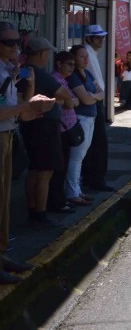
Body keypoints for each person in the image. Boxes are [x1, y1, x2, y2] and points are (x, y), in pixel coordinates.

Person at [1, 24, 56, 282]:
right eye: (8, 43)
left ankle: (2, 254)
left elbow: (20, 109)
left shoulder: (9, 71)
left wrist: (30, 92)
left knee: (4, 201)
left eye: (16, 44)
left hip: (9, 135)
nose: (15, 48)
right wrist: (27, 104)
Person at [18, 36, 75, 228]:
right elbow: (65, 96)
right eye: (47, 53)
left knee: (34, 169)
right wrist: (58, 100)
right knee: (45, 171)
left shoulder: (25, 71)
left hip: (31, 125)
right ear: (42, 54)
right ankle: (40, 213)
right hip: (44, 128)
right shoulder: (40, 73)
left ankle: (33, 209)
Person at [65, 45, 103, 207]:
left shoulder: (86, 74)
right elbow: (85, 99)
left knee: (81, 157)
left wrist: (92, 96)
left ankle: (76, 190)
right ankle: (72, 192)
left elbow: (100, 93)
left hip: (90, 118)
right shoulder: (73, 77)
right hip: (80, 119)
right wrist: (93, 97)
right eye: (82, 57)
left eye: (87, 56)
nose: (86, 59)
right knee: (76, 157)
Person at [50, 50, 82, 213]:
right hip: (61, 129)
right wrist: (71, 100)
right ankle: (57, 202)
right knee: (59, 168)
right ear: (59, 64)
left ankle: (60, 199)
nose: (72, 68)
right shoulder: (56, 80)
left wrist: (71, 100)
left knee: (63, 166)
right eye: (69, 64)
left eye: (73, 65)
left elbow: (72, 100)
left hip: (67, 128)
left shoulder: (64, 80)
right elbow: (70, 103)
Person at [81, 24, 110, 193]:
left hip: (96, 99)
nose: (101, 40)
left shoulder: (91, 53)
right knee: (98, 142)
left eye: (102, 37)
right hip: (93, 101)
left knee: (93, 142)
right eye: (98, 37)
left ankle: (91, 177)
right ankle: (96, 179)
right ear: (89, 38)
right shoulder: (87, 53)